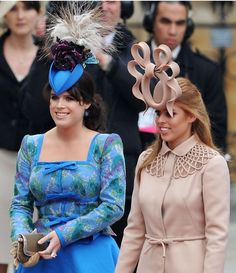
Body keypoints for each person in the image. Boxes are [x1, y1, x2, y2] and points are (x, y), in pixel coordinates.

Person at [10, 5, 126, 273]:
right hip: (41, 257)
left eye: (69, 98)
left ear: (86, 102)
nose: (60, 105)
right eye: (55, 97)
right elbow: (20, 204)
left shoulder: (106, 145)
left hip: (91, 255)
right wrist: (22, 237)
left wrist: (63, 235)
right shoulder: (31, 145)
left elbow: (113, 206)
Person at [114, 41, 230, 273]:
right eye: (158, 112)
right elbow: (135, 229)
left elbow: (217, 235)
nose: (161, 121)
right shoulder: (146, 160)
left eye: (170, 113)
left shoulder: (212, 164)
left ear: (191, 117)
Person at [87, 0, 145, 246]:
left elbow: (142, 98)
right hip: (83, 164)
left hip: (122, 167)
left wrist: (109, 64)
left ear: (125, 7)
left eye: (110, 1)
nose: (103, 7)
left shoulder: (136, 49)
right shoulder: (71, 47)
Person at [140, 1, 228, 153]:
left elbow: (216, 130)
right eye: (165, 21)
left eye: (180, 23)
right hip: (136, 161)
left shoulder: (207, 71)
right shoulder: (130, 63)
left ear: (188, 26)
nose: (173, 31)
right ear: (151, 22)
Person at [0, 2, 42, 273]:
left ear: (38, 12)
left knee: (30, 249)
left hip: (40, 164)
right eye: (12, 8)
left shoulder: (51, 58)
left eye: (27, 7)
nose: (20, 15)